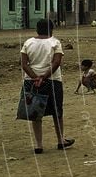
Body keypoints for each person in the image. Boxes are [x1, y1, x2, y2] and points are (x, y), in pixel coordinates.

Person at [19, 19, 74, 154]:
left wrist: (35, 77)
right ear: (51, 29)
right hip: (53, 81)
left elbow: (24, 64)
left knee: (35, 113)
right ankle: (61, 140)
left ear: (37, 29)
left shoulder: (28, 43)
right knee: (57, 112)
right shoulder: (55, 42)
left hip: (31, 82)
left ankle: (39, 145)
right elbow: (56, 63)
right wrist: (44, 76)